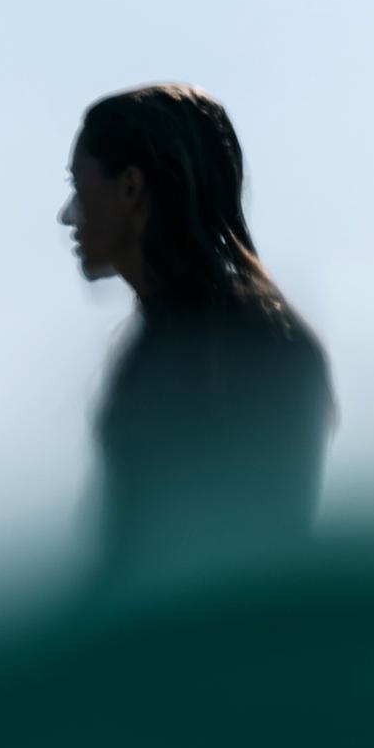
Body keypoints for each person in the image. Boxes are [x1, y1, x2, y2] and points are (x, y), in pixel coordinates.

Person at [57, 82, 337, 600]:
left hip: (199, 652)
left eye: (79, 185)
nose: (68, 214)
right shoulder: (199, 340)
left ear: (130, 187)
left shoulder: (222, 345)